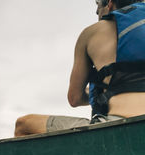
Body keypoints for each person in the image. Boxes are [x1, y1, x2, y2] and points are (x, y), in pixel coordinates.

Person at [14, 0, 145, 137]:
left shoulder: (91, 33)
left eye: (98, 6)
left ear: (110, 4)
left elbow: (74, 98)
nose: (96, 12)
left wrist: (98, 94)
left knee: (23, 124)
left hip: (118, 127)